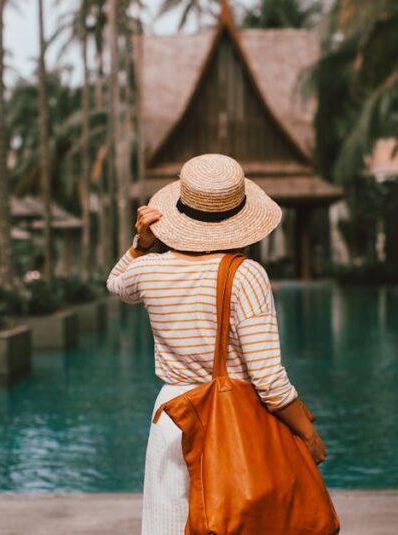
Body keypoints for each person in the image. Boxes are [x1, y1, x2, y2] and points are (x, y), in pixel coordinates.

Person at [106, 153, 328, 535]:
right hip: (230, 418)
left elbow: (116, 284)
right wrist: (307, 432)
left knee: (171, 526)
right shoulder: (246, 275)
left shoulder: (147, 269)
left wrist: (142, 244)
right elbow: (268, 378)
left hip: (173, 416)